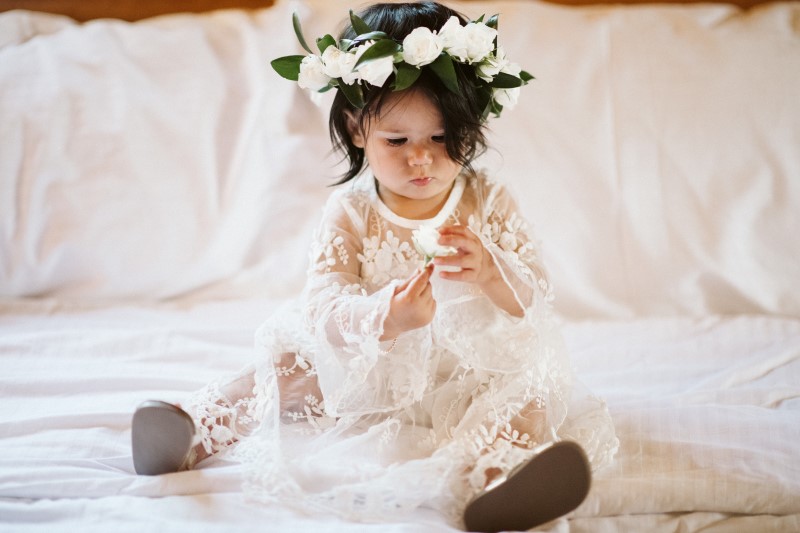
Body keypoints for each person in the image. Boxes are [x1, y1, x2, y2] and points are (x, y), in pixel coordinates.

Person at [131, 2, 619, 531]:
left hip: (469, 364)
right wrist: (385, 317)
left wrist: (491, 271)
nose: (421, 159)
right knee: (288, 368)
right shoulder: (353, 212)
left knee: (527, 394)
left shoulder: (488, 200)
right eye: (397, 140)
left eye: (440, 138)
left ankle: (499, 480)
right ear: (356, 130)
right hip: (372, 360)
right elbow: (322, 305)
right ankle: (195, 430)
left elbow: (537, 294)